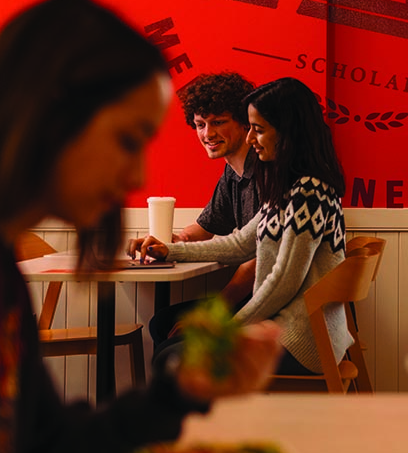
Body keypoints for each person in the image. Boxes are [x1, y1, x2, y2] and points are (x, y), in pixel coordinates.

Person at [0, 0, 281, 453]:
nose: (138, 174)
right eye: (128, 140)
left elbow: (45, 448)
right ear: (49, 118)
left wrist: (180, 392)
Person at [133, 77, 350, 377]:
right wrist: (169, 249)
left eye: (258, 130)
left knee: (172, 359)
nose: (250, 139)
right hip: (284, 325)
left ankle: (196, 424)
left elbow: (284, 280)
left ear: (288, 133)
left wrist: (225, 325)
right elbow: (238, 245)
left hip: (302, 340)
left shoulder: (309, 193)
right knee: (170, 351)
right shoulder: (289, 189)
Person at [142, 72, 259, 347]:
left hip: (267, 304)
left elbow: (258, 259)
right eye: (200, 124)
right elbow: (206, 227)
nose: (208, 134)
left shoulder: (266, 171)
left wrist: (214, 310)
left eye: (218, 122)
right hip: (257, 296)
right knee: (162, 322)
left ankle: (185, 387)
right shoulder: (232, 173)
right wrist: (173, 240)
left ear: (244, 123)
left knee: (172, 336)